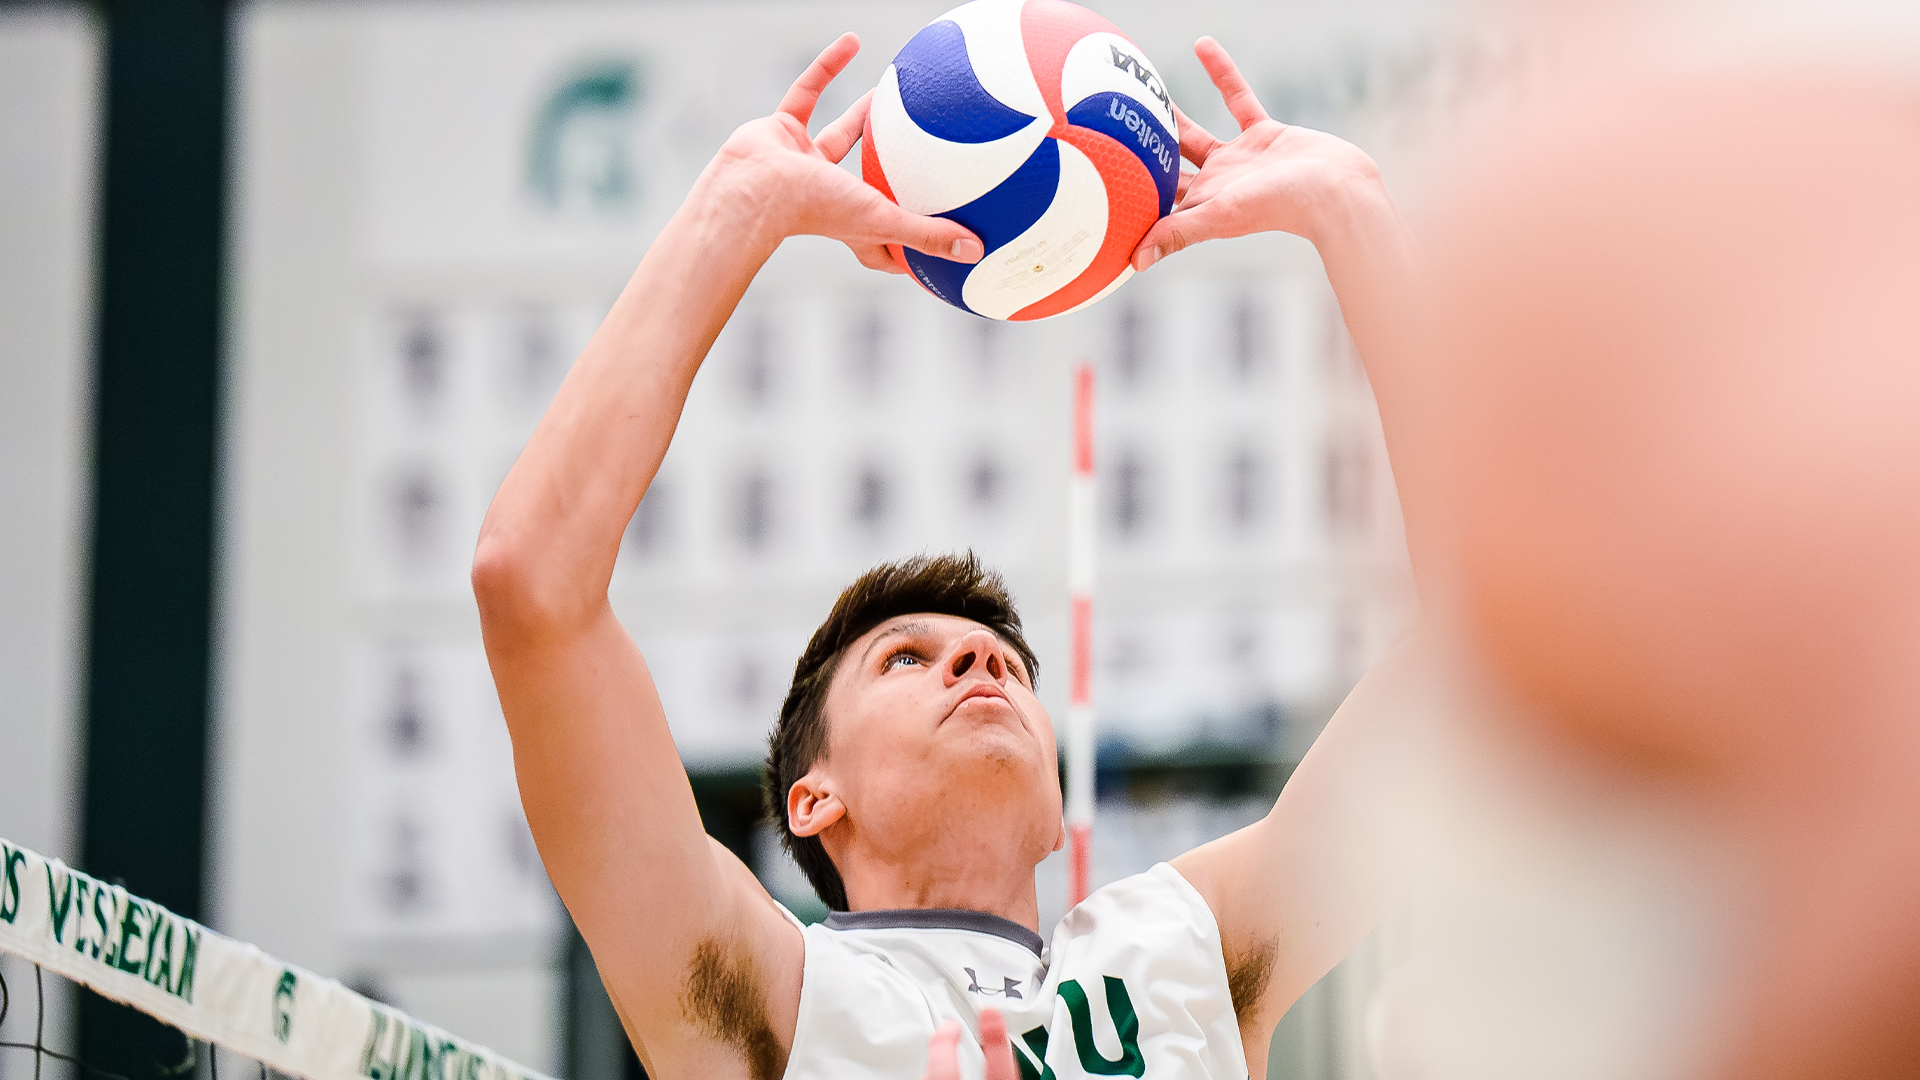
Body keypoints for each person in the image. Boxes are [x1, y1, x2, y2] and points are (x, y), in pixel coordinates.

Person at [473, 31, 1420, 1080]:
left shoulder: (1187, 952)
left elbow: (1479, 671)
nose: (983, 664)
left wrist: (1355, 213)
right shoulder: (767, 993)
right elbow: (531, 589)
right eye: (907, 660)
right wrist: (735, 206)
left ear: (1056, 813)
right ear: (812, 799)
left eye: (1006, 662)